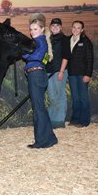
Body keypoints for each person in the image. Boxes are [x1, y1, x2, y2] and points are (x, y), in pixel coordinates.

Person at [22, 19, 58, 149]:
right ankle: (50, 138)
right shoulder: (43, 42)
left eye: (35, 29)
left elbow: (26, 55)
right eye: (31, 29)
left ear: (42, 29)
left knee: (38, 109)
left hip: (36, 75)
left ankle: (42, 141)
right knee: (40, 108)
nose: (32, 32)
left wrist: (21, 49)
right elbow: (41, 59)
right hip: (39, 74)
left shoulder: (38, 42)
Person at [67, 21, 94, 128]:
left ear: (82, 30)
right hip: (72, 73)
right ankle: (75, 119)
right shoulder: (68, 40)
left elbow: (90, 59)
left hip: (82, 74)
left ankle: (84, 121)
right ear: (71, 27)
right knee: (75, 98)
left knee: (83, 98)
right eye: (74, 27)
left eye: (78, 28)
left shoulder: (86, 41)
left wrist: (88, 74)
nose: (75, 30)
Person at [46, 18, 71, 129]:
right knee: (52, 96)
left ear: (61, 27)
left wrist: (61, 71)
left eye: (57, 25)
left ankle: (59, 121)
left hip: (59, 71)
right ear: (50, 27)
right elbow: (47, 56)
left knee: (59, 95)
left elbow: (66, 56)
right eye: (53, 25)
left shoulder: (64, 39)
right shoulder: (49, 39)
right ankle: (52, 120)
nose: (55, 27)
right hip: (48, 72)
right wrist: (42, 65)